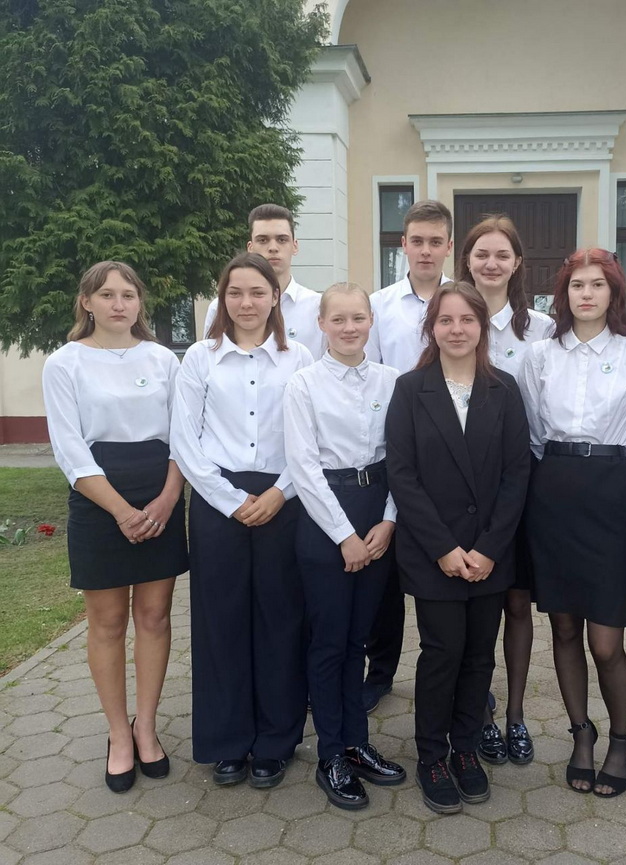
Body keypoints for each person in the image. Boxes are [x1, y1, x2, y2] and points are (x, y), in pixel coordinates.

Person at [519, 248, 626, 798]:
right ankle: (581, 734)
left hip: (607, 496)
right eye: (576, 284)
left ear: (613, 294)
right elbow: (532, 430)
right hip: (551, 494)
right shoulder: (540, 356)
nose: (586, 294)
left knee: (605, 641)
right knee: (561, 628)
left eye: (597, 285)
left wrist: (614, 486)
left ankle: (622, 738)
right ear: (563, 294)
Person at [42, 261, 188, 793]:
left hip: (161, 496)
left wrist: (169, 499)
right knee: (106, 624)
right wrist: (121, 511)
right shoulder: (64, 364)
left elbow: (182, 435)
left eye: (128, 295)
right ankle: (117, 736)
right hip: (98, 499)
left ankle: (146, 728)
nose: (118, 304)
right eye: (107, 295)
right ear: (87, 302)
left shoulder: (164, 359)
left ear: (140, 303)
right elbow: (69, 448)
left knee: (154, 616)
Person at [386, 282, 531, 814]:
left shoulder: (505, 389)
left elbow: (518, 474)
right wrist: (444, 547)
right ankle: (431, 755)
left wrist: (490, 548)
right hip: (434, 554)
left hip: (490, 553)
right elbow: (401, 474)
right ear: (432, 328)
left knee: (478, 655)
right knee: (442, 653)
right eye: (445, 321)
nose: (456, 330)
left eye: (466, 321)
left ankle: (466, 749)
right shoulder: (410, 389)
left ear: (481, 327)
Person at [171, 252, 313, 789]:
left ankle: (276, 741)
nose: (247, 303)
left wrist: (279, 492)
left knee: (281, 620)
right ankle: (228, 741)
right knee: (220, 623)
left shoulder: (298, 357)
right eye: (236, 293)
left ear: (275, 297)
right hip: (216, 499)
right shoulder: (200, 360)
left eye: (258, 292)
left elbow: (310, 438)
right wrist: (230, 500)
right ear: (221, 299)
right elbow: (185, 438)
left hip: (284, 496)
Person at [284, 282, 406, 809]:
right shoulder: (303, 384)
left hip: (377, 512)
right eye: (339, 319)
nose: (350, 327)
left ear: (370, 322)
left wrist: (387, 522)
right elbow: (303, 466)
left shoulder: (392, 381)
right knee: (330, 640)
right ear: (322, 324)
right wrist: (345, 536)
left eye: (359, 318)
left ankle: (358, 742)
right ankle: (331, 751)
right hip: (325, 518)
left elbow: (403, 457)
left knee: (359, 638)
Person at [455, 213, 553, 766]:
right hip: (460, 494)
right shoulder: (449, 318)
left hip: (523, 488)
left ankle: (515, 716)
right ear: (466, 259)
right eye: (481, 254)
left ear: (517, 264)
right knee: (472, 607)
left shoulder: (539, 329)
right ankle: (479, 713)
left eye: (502, 255)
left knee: (517, 604)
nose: (490, 264)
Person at [363, 200, 454, 713]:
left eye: (434, 241)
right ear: (403, 245)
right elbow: (371, 376)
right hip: (392, 450)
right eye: (416, 240)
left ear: (447, 247)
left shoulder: (460, 301)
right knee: (388, 577)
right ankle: (380, 672)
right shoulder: (380, 305)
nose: (425, 250)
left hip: (451, 456)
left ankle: (459, 670)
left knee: (445, 572)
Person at [203, 204, 325, 358]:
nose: (273, 248)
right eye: (263, 240)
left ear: (295, 246)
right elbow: (209, 360)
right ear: (250, 247)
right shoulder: (222, 307)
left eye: (282, 239)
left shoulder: (317, 307)